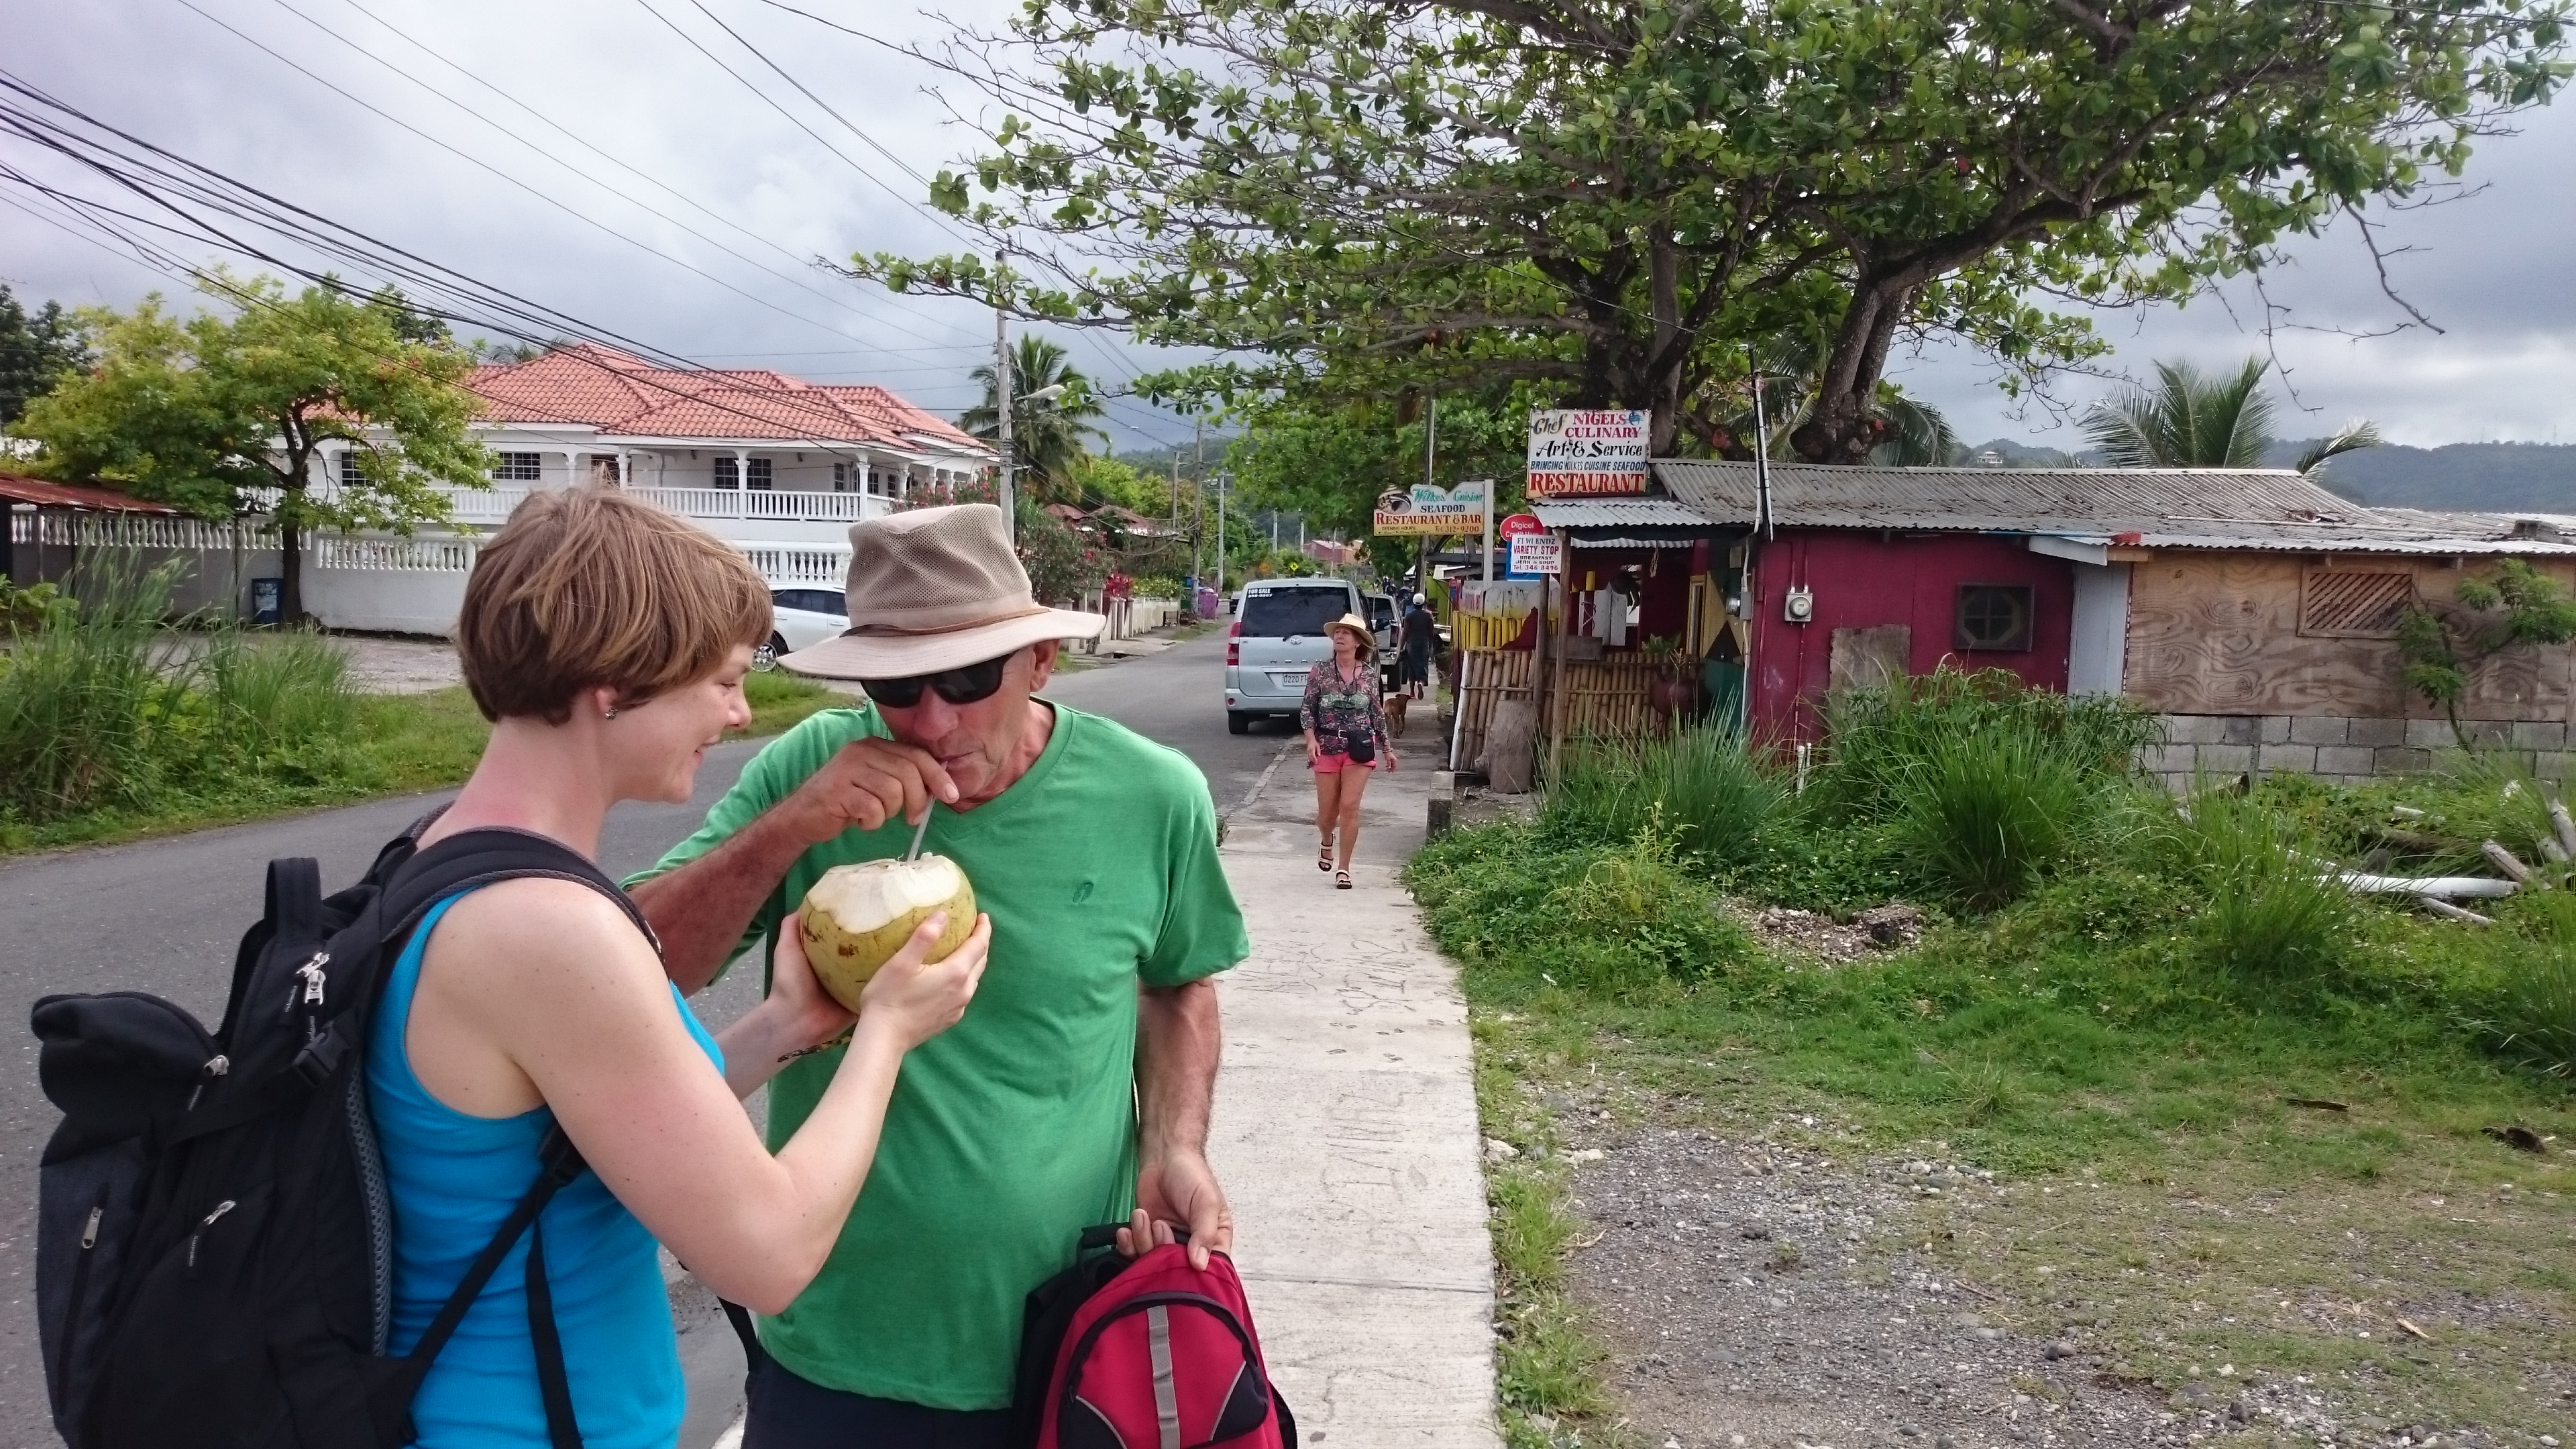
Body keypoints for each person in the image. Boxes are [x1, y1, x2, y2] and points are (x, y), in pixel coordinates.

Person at [625, 503, 1250, 1449]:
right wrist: (791, 828)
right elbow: (635, 965)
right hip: (835, 1340)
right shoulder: (811, 771)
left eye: (967, 679)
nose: (933, 720)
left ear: (1041, 662)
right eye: (898, 686)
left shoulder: (1153, 795)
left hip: (1068, 1338)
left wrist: (1175, 1148)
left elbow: (1176, 987)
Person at [376, 489, 989, 1448]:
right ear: (616, 683)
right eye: (725, 681)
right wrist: (887, 1033)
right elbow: (771, 1255)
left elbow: (587, 1133)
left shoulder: (445, 856)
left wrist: (787, 1025)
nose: (739, 713)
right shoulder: (550, 931)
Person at [1303, 612, 1398, 890]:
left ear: (1358, 642)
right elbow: (1307, 708)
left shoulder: (1368, 674)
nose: (1340, 636)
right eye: (1338, 632)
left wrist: (1387, 749)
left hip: (1359, 747)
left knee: (1349, 807)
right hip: (1326, 746)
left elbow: (1376, 713)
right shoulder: (1320, 670)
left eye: (1346, 633)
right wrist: (1311, 740)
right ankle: (1326, 839)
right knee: (1326, 815)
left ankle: (1343, 869)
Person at [1399, 590, 1440, 699]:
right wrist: (1430, 644)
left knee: (1412, 666)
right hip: (1424, 643)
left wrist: (1401, 647)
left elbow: (1405, 633)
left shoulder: (1409, 616)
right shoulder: (1428, 616)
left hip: (1411, 644)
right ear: (1423, 604)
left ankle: (1412, 692)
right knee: (1423, 664)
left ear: (1413, 603)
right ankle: (1421, 683)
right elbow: (1431, 632)